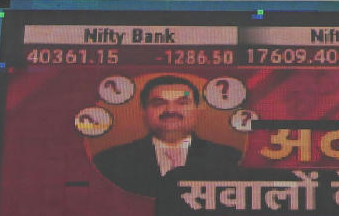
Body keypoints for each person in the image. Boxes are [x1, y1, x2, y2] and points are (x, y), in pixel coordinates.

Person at [95, 76, 243, 196]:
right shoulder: (110, 162)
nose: (171, 110)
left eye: (182, 102)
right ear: (144, 111)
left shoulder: (229, 159)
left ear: (197, 110)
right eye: (159, 103)